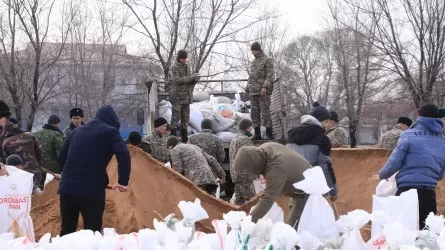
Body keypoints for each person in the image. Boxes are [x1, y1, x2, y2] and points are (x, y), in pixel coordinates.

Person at [58, 105, 130, 236]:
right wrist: (123, 182)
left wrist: (68, 175)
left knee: (67, 232)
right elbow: (123, 154)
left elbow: (62, 158)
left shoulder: (76, 131)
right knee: (92, 234)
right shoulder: (111, 132)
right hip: (91, 190)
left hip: (67, 189)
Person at [370, 103, 445, 230]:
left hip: (407, 188)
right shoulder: (442, 139)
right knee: (426, 231)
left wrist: (382, 174)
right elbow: (442, 167)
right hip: (428, 191)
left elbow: (395, 161)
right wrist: (432, 177)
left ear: (419, 117)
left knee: (402, 228)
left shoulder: (408, 135)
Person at [232, 142, 311, 227]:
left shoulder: (276, 169)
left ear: (254, 164)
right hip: (299, 181)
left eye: (249, 169)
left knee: (294, 224)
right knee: (293, 216)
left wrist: (248, 223)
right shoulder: (264, 149)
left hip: (307, 187)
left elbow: (268, 199)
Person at [287, 102, 338, 201]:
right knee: (312, 215)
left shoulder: (291, 136)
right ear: (323, 121)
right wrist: (333, 191)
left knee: (297, 214)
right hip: (312, 190)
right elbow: (326, 167)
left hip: (294, 187)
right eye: (327, 121)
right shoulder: (322, 139)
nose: (328, 125)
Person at [2, 121, 44, 190]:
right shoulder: (31, 135)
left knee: (21, 195)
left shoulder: (6, 142)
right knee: (35, 195)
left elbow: (6, 161)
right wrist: (37, 165)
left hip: (17, 175)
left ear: (6, 132)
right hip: (34, 171)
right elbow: (39, 152)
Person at [169, 49, 200, 142]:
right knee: (175, 118)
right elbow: (177, 80)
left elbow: (188, 82)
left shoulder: (187, 67)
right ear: (179, 58)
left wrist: (194, 80)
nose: (184, 60)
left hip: (186, 97)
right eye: (182, 58)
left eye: (185, 58)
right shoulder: (174, 67)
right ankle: (173, 138)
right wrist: (191, 77)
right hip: (177, 97)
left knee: (185, 119)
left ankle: (184, 138)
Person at [247, 42, 274, 140]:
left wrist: (265, 87)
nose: (252, 52)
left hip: (263, 92)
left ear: (257, 49)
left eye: (252, 50)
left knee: (265, 113)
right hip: (253, 92)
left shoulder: (267, 60)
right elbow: (251, 77)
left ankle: (269, 134)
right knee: (254, 113)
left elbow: (270, 75)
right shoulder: (253, 63)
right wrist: (247, 87)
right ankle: (257, 134)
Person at [229, 119, 254, 205]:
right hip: (244, 174)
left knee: (239, 200)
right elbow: (251, 156)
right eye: (251, 127)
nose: (252, 129)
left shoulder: (234, 138)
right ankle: (253, 217)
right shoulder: (245, 139)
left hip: (236, 173)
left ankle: (237, 216)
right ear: (247, 128)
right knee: (251, 199)